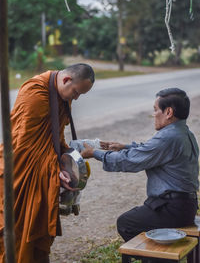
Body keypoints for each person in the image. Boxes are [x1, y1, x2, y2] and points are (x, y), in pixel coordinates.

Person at [81, 88, 199, 259]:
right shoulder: (184, 133)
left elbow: (129, 161)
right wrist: (125, 146)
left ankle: (161, 259)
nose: (153, 115)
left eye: (155, 109)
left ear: (168, 112)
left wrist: (94, 153)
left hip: (173, 210)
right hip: (185, 205)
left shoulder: (168, 137)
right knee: (135, 219)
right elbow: (150, 150)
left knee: (126, 223)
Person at [0, 63, 95, 263]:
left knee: (36, 231)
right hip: (20, 172)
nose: (75, 98)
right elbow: (24, 147)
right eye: (76, 92)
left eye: (80, 95)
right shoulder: (35, 94)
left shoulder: (62, 96)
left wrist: (67, 158)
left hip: (39, 171)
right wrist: (54, 169)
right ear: (66, 80)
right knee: (16, 230)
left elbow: (55, 138)